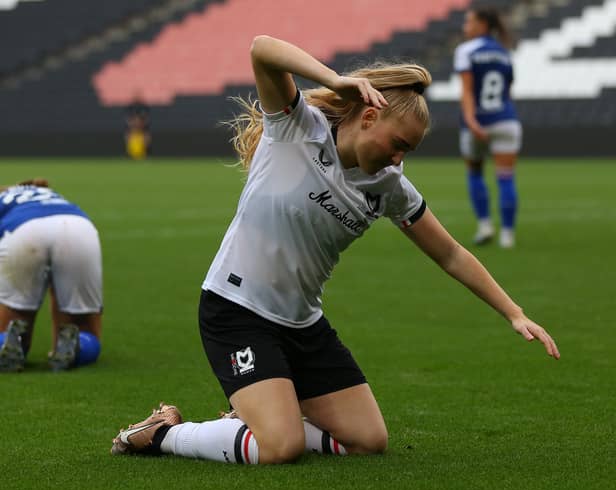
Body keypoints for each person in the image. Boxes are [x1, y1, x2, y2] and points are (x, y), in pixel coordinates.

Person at [111, 35, 559, 464]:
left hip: (303, 325)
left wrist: (514, 312)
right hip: (236, 311)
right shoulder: (295, 126)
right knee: (279, 448)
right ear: (368, 118)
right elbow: (262, 48)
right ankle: (162, 433)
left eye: (409, 152)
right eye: (398, 144)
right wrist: (334, 80)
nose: (400, 159)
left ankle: (253, 418)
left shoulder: (389, 188)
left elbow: (450, 253)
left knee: (368, 441)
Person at [0, 179, 103, 372]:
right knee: (86, 327)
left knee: (15, 321)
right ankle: (77, 346)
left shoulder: (4, 199)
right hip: (78, 228)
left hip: (22, 230)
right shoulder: (50, 196)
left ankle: (8, 342)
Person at [454, 8, 521, 248]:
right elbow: (507, 90)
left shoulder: (466, 51)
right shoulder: (504, 52)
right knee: (506, 177)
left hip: (479, 120)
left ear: (482, 24)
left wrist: (472, 121)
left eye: (469, 21)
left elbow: (467, 92)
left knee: (475, 171)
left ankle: (484, 225)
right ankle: (508, 235)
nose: (465, 26)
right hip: (506, 119)